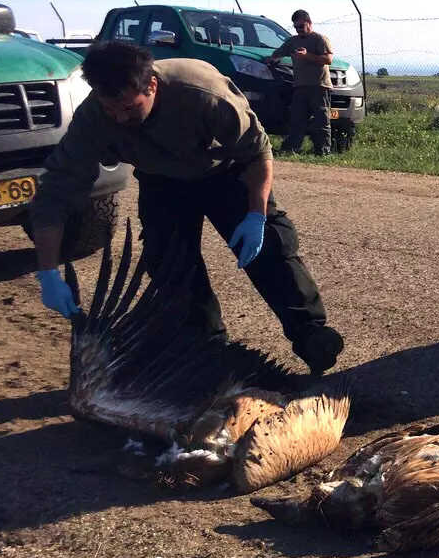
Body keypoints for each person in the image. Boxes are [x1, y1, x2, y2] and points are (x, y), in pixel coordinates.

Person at [30, 40, 344, 375]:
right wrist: (48, 271)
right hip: (161, 181)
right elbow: (56, 191)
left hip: (223, 172)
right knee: (170, 267)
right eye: (112, 110)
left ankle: (311, 334)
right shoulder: (95, 115)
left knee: (271, 248)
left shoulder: (202, 93)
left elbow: (258, 152)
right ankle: (210, 352)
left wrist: (256, 215)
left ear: (151, 84)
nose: (120, 118)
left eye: (130, 108)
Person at [265, 10, 334, 155]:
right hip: (300, 86)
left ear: (309, 23)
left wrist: (307, 55)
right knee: (297, 119)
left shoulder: (320, 39)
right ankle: (291, 149)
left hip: (319, 86)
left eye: (301, 26)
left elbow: (328, 59)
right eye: (296, 27)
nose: (299, 30)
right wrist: (272, 59)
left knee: (321, 119)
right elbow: (279, 53)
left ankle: (323, 151)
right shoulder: (293, 41)